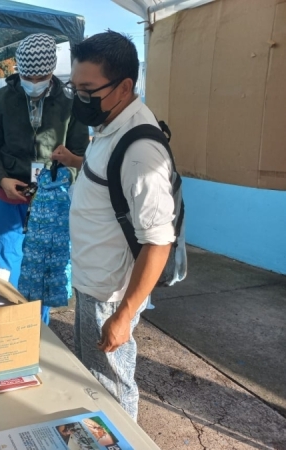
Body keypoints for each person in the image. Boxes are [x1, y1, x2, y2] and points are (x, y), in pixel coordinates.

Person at [61, 31, 175, 420]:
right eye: (74, 88)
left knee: (110, 386)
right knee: (93, 381)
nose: (80, 99)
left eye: (88, 89)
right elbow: (107, 176)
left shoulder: (141, 151)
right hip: (93, 280)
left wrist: (124, 314)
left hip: (111, 292)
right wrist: (76, 162)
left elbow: (159, 242)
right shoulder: (111, 123)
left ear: (125, 86)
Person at [0, 33, 89, 288]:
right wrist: (1, 179)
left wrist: (61, 179)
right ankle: (6, 322)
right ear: (19, 71)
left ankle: (38, 325)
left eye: (41, 78)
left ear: (51, 71)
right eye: (28, 78)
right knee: (5, 266)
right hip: (9, 196)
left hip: (50, 199)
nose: (34, 83)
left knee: (45, 270)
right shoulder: (0, 100)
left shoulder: (70, 104)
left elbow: (80, 155)